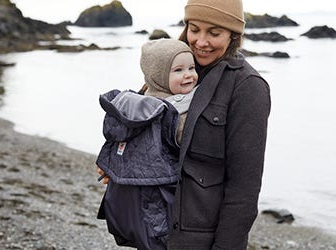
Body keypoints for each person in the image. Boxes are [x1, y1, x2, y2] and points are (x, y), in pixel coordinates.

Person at [98, 0, 271, 248]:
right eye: (194, 29)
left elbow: (244, 189)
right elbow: (137, 122)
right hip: (153, 229)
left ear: (233, 34)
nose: (201, 42)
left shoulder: (248, 87)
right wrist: (113, 163)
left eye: (214, 32)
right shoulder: (175, 66)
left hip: (200, 239)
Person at [95, 39, 198, 250]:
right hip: (158, 203)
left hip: (131, 209)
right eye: (178, 70)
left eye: (192, 67)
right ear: (158, 76)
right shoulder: (174, 112)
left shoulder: (134, 103)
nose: (189, 75)